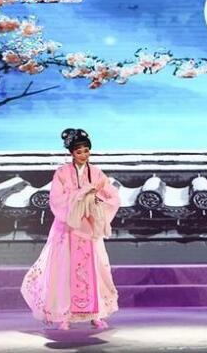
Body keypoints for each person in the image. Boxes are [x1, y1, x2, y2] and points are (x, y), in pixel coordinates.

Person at [21, 128, 120, 330]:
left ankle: (96, 313)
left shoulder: (97, 173)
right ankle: (64, 315)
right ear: (71, 153)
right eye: (79, 151)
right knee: (64, 269)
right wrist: (79, 197)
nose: (83, 155)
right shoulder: (62, 173)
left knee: (95, 269)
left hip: (89, 227)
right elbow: (56, 200)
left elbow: (112, 197)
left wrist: (95, 200)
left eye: (86, 150)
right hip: (68, 227)